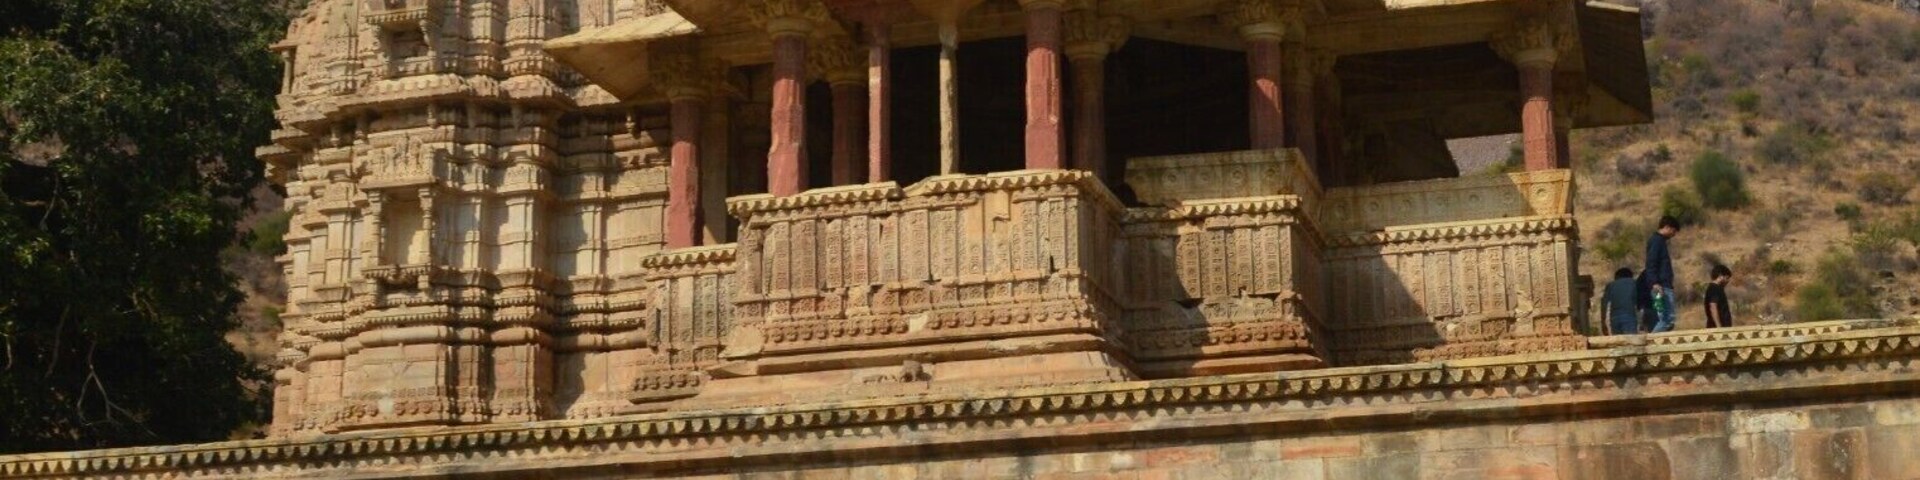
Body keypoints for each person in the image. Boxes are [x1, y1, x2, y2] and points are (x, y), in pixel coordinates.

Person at [1641, 216, 1681, 333]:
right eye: (1673, 231)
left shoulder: (1659, 242)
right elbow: (1651, 262)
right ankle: (1652, 342)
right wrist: (1654, 283)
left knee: (1665, 318)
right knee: (1667, 319)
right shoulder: (1657, 241)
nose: (1673, 235)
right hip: (1661, 287)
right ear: (1667, 227)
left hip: (1661, 286)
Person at [1599, 267, 1640, 335]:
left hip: (1614, 319)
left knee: (1618, 343)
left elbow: (1604, 304)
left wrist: (1603, 322)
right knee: (1631, 342)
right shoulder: (1633, 283)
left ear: (1617, 276)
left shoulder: (1610, 285)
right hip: (1629, 316)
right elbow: (1638, 301)